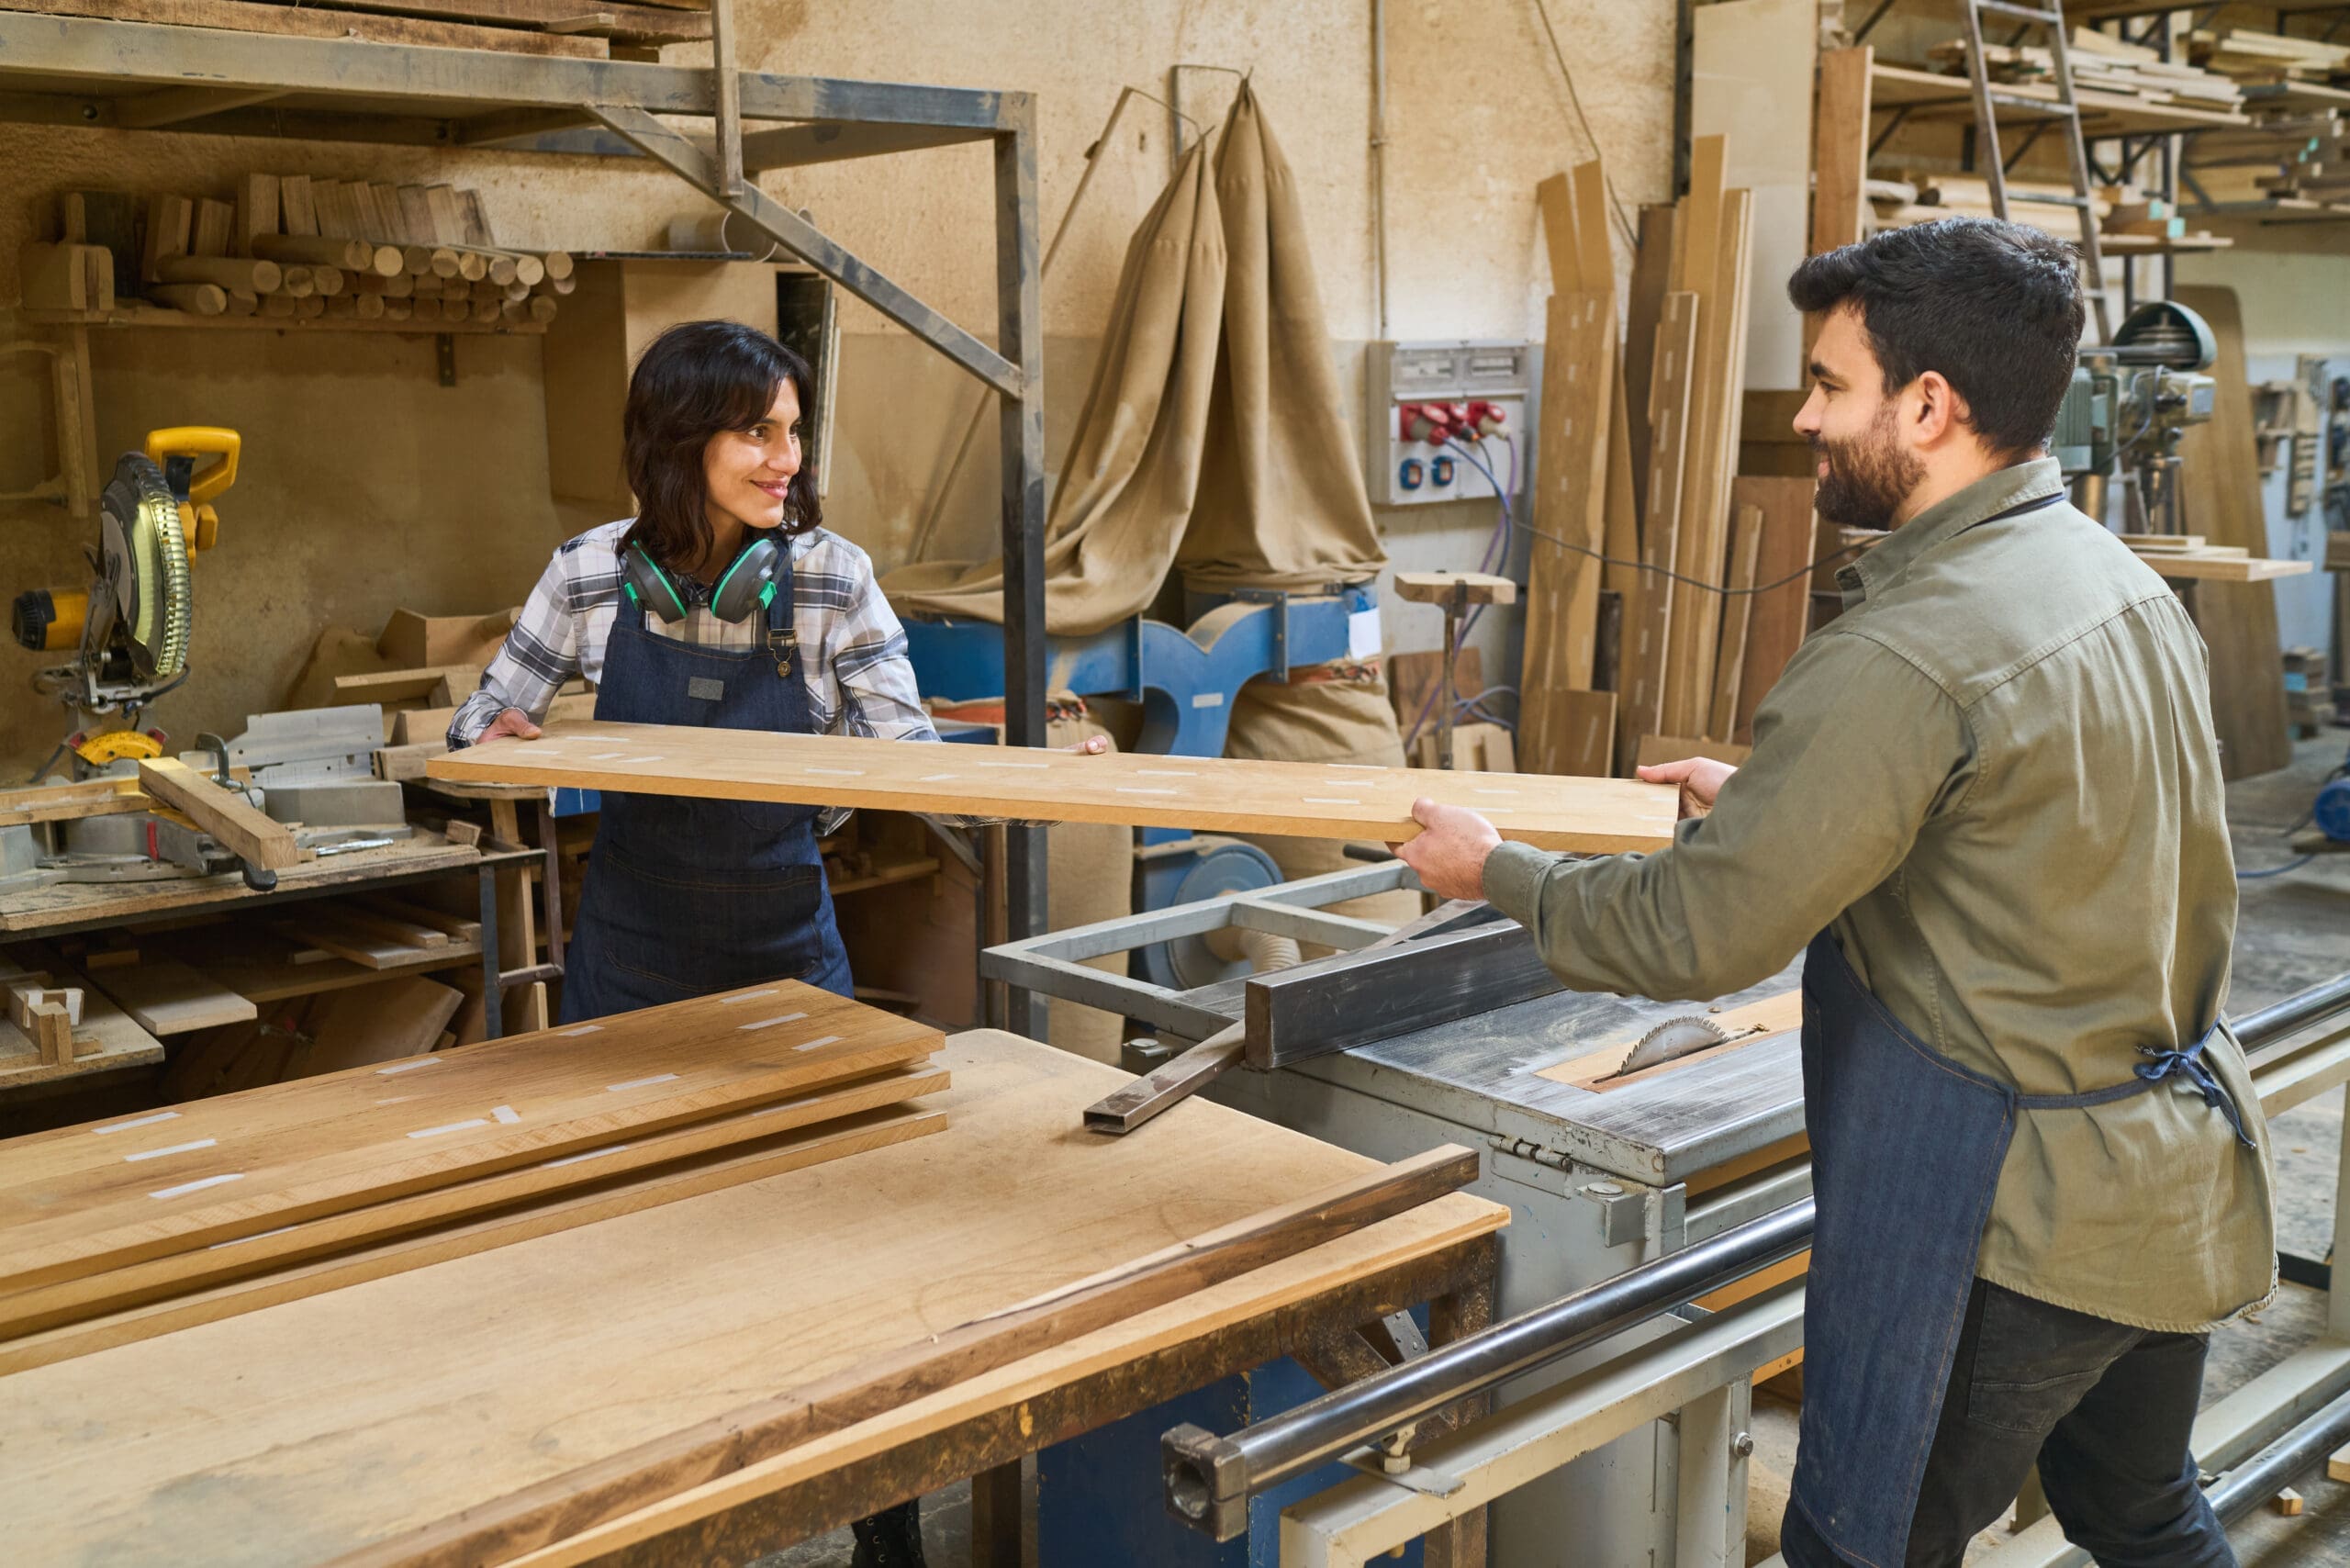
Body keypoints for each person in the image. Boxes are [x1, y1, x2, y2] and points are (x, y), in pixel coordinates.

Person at [1395, 218, 2273, 1568]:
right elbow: (2034, 826)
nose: (1803, 418)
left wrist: (1492, 869)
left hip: (2019, 1222)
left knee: (1863, 1551)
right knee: (2142, 1518)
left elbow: (1695, 935)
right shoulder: (2109, 579)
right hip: (2176, 1173)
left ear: (1929, 407)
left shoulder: (1907, 653)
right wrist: (1785, 803)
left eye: (1828, 384)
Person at [449, 319, 1096, 1568]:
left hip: (786, 950)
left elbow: (898, 753)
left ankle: (885, 1522)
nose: (785, 457)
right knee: (636, 1247)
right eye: (759, 432)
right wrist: (503, 740)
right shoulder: (591, 574)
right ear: (681, 442)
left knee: (842, 1245)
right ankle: (651, 1512)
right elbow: (487, 717)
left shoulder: (826, 578)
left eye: (794, 431)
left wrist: (1030, 777)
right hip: (631, 957)